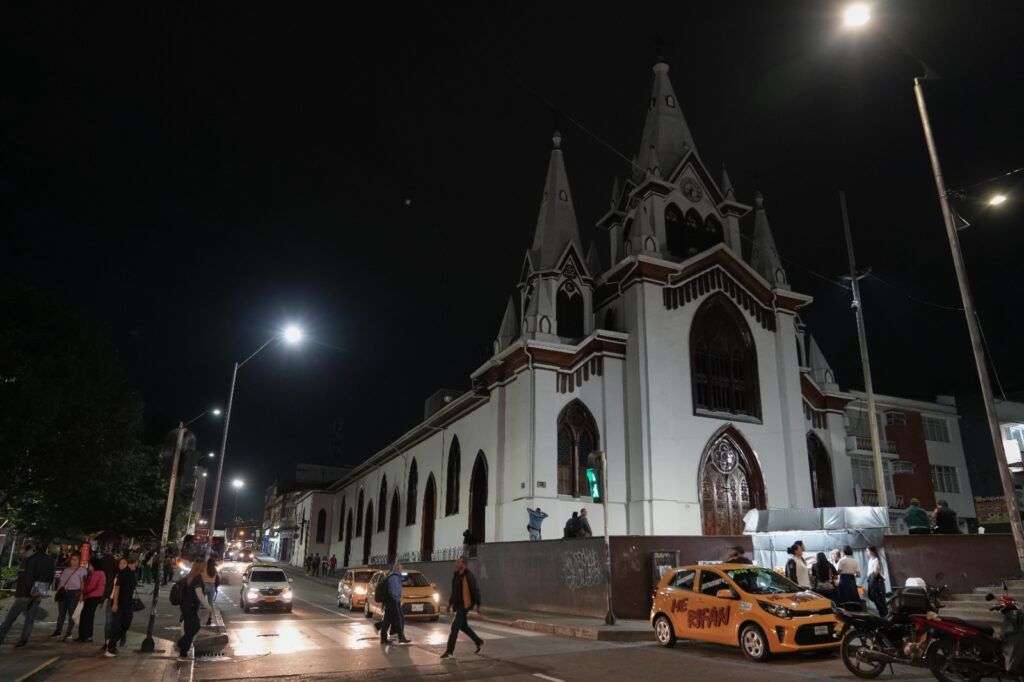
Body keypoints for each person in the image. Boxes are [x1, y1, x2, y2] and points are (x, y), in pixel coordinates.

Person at [0, 542, 55, 648]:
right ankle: (23, 640)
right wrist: (42, 589)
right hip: (39, 592)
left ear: (35, 548)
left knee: (11, 616)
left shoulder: (31, 559)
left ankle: (1, 636)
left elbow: (28, 576)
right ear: (46, 549)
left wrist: (31, 589)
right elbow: (51, 577)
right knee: (30, 618)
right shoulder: (50, 561)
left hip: (26, 592)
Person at [441, 555, 484, 659]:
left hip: (464, 606)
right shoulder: (456, 576)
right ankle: (478, 641)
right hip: (457, 605)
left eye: (458, 562)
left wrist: (478, 605)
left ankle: (449, 652)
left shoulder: (469, 576)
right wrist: (449, 604)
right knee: (463, 626)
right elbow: (454, 592)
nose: (456, 564)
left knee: (454, 627)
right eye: (456, 562)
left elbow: (475, 590)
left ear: (464, 564)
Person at [176, 561, 212, 660]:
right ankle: (180, 645)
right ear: (201, 567)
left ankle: (183, 653)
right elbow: (199, 594)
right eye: (204, 567)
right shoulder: (197, 578)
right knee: (195, 627)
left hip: (185, 607)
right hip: (190, 607)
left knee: (189, 629)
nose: (205, 569)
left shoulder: (189, 576)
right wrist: (208, 606)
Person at [104, 556, 138, 657]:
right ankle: (111, 647)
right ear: (134, 563)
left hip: (128, 604)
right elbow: (117, 589)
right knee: (116, 625)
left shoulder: (133, 573)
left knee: (126, 622)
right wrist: (115, 603)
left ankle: (120, 637)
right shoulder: (123, 573)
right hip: (120, 604)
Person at [52, 552, 86, 641]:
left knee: (71, 613)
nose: (73, 561)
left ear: (79, 561)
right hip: (64, 592)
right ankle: (58, 631)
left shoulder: (82, 570)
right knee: (61, 613)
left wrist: (82, 594)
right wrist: (58, 591)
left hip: (74, 593)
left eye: (76, 559)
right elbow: (61, 582)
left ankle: (68, 632)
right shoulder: (66, 570)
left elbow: (83, 583)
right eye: (72, 559)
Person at [75, 556, 107, 643]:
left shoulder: (96, 573)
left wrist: (82, 592)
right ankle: (86, 636)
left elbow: (91, 586)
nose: (89, 567)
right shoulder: (102, 573)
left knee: (86, 616)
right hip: (97, 597)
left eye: (90, 565)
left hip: (92, 596)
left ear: (93, 565)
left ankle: (85, 636)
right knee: (88, 616)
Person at [379, 562, 410, 645]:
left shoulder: (392, 576)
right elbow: (394, 590)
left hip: (390, 601)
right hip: (393, 601)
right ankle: (401, 637)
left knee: (387, 620)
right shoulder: (394, 578)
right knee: (399, 619)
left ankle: (384, 638)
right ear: (397, 569)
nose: (401, 570)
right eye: (401, 568)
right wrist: (397, 598)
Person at [866, 546, 888, 617]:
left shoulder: (876, 560)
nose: (867, 553)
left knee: (881, 601)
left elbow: (875, 573)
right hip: (872, 582)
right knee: (874, 599)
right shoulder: (870, 560)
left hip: (878, 583)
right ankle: (882, 615)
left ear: (872, 551)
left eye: (868, 551)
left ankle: (885, 617)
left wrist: (871, 581)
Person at [202, 557, 220, 627]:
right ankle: (209, 618)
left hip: (205, 586)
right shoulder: (215, 570)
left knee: (199, 601)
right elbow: (217, 579)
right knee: (210, 603)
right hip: (212, 587)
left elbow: (201, 577)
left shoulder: (204, 569)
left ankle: (196, 617)